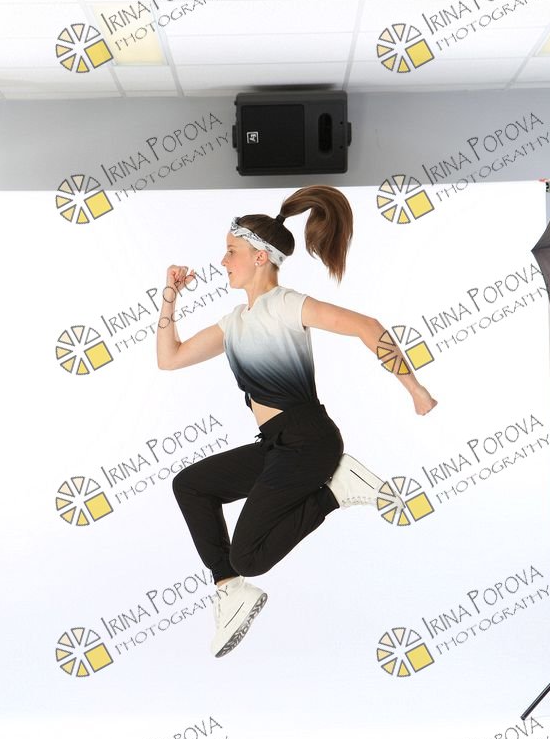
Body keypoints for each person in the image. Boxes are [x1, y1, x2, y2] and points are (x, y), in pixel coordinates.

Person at [157, 185, 437, 658]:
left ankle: (334, 491)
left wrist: (414, 388)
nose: (223, 261)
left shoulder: (286, 304)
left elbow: (368, 327)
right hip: (276, 444)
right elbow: (170, 358)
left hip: (308, 440)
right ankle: (229, 588)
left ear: (260, 257)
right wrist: (170, 297)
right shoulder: (233, 322)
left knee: (249, 556)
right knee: (192, 485)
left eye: (231, 251)